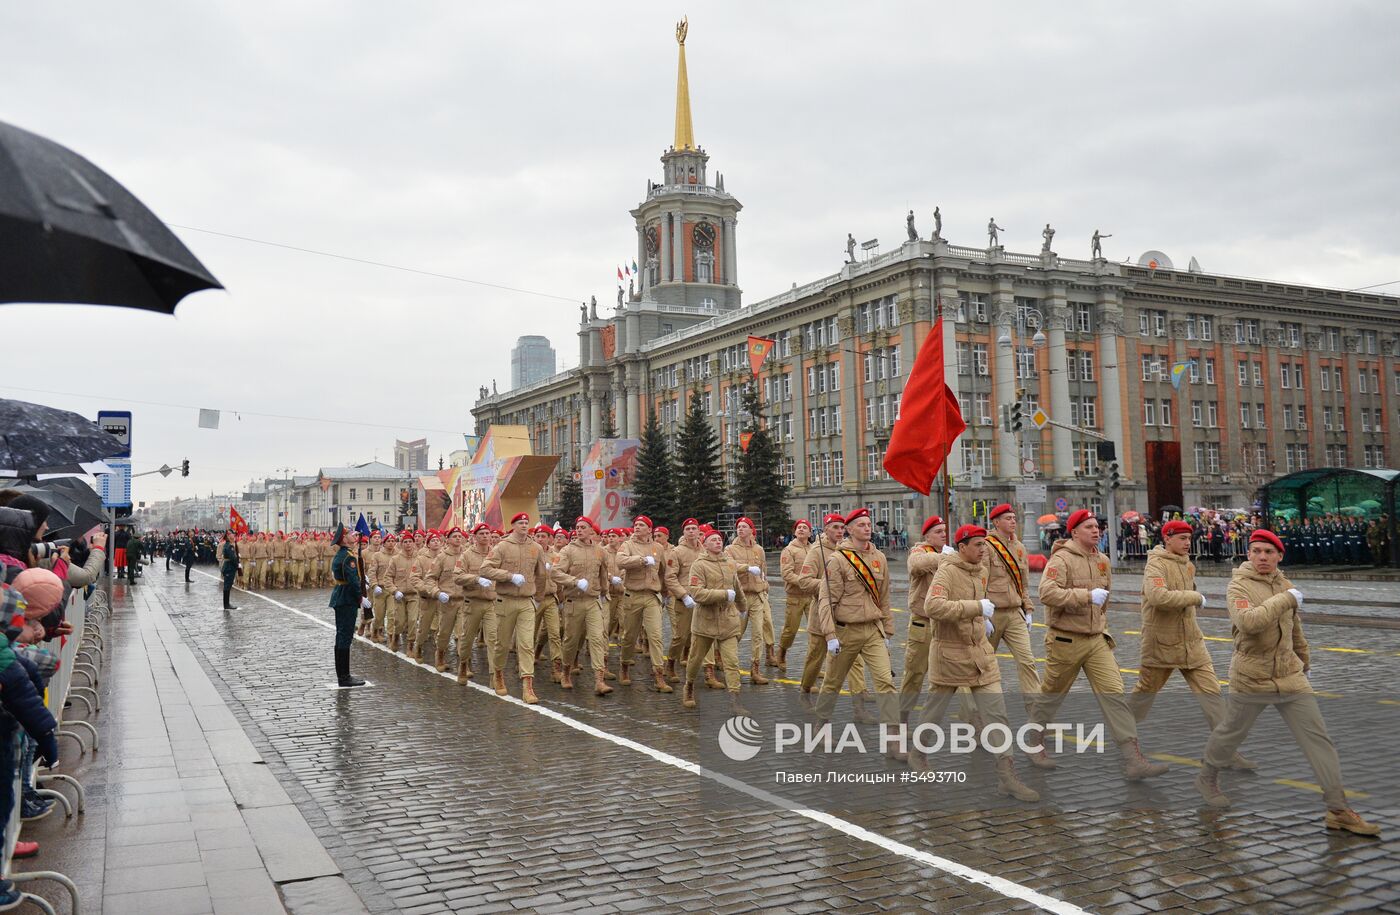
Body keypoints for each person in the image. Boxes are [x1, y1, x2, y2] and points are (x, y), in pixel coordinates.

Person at [1196, 530, 1379, 835]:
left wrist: (1304, 663)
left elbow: (1295, 632)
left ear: (1279, 556)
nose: (1262, 557)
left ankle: (1338, 809)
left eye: (1268, 552)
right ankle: (1207, 776)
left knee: (1319, 740)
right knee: (1230, 734)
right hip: (1251, 677)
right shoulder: (1238, 585)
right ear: (1248, 555)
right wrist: (1285, 599)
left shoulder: (1285, 585)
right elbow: (1249, 623)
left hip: (1290, 677)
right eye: (1256, 551)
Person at [1027, 509, 1167, 779]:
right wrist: (1086, 596)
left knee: (1114, 694)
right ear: (1075, 531)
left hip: (1096, 640)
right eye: (1089, 526)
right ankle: (1033, 741)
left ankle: (1133, 759)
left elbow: (1106, 598)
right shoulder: (1061, 559)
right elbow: (1046, 593)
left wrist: (1098, 618)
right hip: (1066, 640)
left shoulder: (1102, 560)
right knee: (1051, 696)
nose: (1096, 530)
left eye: (1097, 526)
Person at [907, 525, 1039, 801]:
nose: (983, 550)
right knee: (934, 713)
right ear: (962, 547)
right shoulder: (947, 570)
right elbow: (933, 606)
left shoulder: (981, 570)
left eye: (984, 545)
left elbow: (981, 602)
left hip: (980, 655)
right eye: (978, 545)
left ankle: (1007, 777)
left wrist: (985, 618)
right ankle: (918, 754)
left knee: (998, 716)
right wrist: (976, 608)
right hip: (950, 655)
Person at [1131, 519, 1253, 769]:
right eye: (1182, 539)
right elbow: (1158, 597)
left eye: (1189, 538)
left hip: (1192, 641)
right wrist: (1194, 597)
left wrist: (1191, 599)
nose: (1188, 543)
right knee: (1143, 695)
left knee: (1213, 697)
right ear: (1167, 539)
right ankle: (1122, 734)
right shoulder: (1155, 565)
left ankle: (1225, 752)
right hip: (1161, 643)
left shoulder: (1188, 565)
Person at [810, 508, 901, 756]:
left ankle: (893, 741)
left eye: (868, 524)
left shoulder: (879, 558)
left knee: (885, 682)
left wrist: (888, 631)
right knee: (832, 683)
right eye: (861, 525)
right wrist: (829, 635)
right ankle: (821, 725)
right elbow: (826, 600)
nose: (867, 528)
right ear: (849, 529)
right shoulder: (838, 560)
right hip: (845, 632)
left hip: (873, 630)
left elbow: (884, 598)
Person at [612, 515, 686, 694]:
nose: (637, 527)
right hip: (632, 595)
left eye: (641, 525)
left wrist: (665, 591)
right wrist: (642, 560)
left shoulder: (658, 547)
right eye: (636, 524)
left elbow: (663, 571)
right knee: (629, 636)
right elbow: (620, 561)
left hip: (652, 596)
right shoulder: (628, 545)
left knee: (656, 635)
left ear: (649, 529)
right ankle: (624, 665)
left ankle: (658, 674)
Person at [481, 512, 549, 704]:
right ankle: (499, 674)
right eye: (520, 522)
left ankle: (528, 686)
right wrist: (509, 576)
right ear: (514, 525)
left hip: (527, 601)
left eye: (526, 522)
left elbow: (542, 575)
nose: (524, 525)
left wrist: (539, 598)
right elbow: (485, 569)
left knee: (526, 644)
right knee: (502, 643)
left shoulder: (536, 548)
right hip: (506, 600)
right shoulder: (502, 546)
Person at [681, 527, 749, 714]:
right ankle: (689, 686)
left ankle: (735, 700)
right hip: (705, 621)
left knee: (732, 662)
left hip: (728, 621)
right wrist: (723, 595)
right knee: (695, 659)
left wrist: (742, 607)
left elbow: (737, 587)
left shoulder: (729, 563)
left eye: (719, 540)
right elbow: (696, 592)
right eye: (713, 540)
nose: (718, 542)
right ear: (705, 544)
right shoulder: (699, 565)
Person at [982, 504, 1041, 713]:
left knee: (1027, 661)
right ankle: (977, 715)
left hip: (1015, 612)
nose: (1013, 521)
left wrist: (1029, 610)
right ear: (996, 522)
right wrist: (982, 615)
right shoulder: (986, 547)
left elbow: (1023, 584)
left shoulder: (1019, 548)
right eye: (1008, 518)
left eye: (1014, 517)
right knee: (983, 665)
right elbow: (980, 582)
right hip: (992, 614)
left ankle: (1037, 715)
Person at [898, 515, 954, 722]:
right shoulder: (920, 551)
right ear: (927, 535)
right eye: (938, 532)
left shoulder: (950, 554)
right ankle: (901, 720)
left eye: (945, 531)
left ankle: (975, 724)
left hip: (947, 624)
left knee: (958, 677)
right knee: (914, 675)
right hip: (923, 624)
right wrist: (943, 558)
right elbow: (915, 565)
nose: (943, 535)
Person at [552, 516, 614, 695]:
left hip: (593, 601)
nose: (579, 530)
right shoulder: (567, 551)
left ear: (591, 530)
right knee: (571, 641)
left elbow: (603, 574)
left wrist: (604, 593)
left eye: (583, 527)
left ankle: (599, 680)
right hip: (574, 602)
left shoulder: (600, 551)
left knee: (597, 638)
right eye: (577, 527)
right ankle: (565, 672)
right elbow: (555, 573)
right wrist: (574, 581)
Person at [725, 517, 774, 681]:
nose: (740, 529)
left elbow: (763, 570)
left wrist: (765, 586)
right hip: (741, 597)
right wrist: (746, 568)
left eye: (744, 526)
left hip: (757, 596)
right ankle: (728, 664)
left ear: (752, 530)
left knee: (758, 634)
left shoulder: (759, 549)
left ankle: (755, 669)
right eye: (738, 527)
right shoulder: (730, 549)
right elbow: (730, 567)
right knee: (736, 633)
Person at [328, 523, 370, 687]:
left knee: (342, 636)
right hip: (347, 599)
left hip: (342, 597)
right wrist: (361, 598)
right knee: (345, 637)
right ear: (344, 539)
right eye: (351, 534)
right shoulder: (348, 557)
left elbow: (353, 577)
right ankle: (344, 677)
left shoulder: (344, 554)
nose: (354, 535)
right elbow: (352, 581)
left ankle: (343, 675)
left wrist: (362, 581)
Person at [666, 519, 705, 682]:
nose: (691, 531)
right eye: (688, 529)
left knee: (699, 635)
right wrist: (683, 595)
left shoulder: (704, 551)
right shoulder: (677, 552)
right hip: (685, 601)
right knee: (680, 636)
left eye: (694, 528)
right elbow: (670, 577)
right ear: (684, 532)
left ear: (698, 531)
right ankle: (670, 664)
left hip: (703, 599)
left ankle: (693, 664)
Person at [776, 519, 814, 673]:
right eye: (799, 527)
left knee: (815, 631)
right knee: (790, 630)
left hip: (812, 596)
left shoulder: (814, 549)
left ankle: (813, 665)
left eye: (805, 528)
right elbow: (787, 574)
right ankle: (782, 652)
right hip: (795, 596)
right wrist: (804, 582)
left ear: (810, 533)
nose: (801, 529)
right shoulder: (789, 550)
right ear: (794, 532)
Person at [219, 531, 239, 610]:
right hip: (229, 567)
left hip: (229, 567)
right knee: (227, 586)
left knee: (228, 585)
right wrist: (237, 565)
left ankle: (227, 603)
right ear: (228, 536)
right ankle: (226, 604)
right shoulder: (228, 546)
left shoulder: (229, 545)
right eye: (232, 534)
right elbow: (232, 558)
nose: (233, 535)